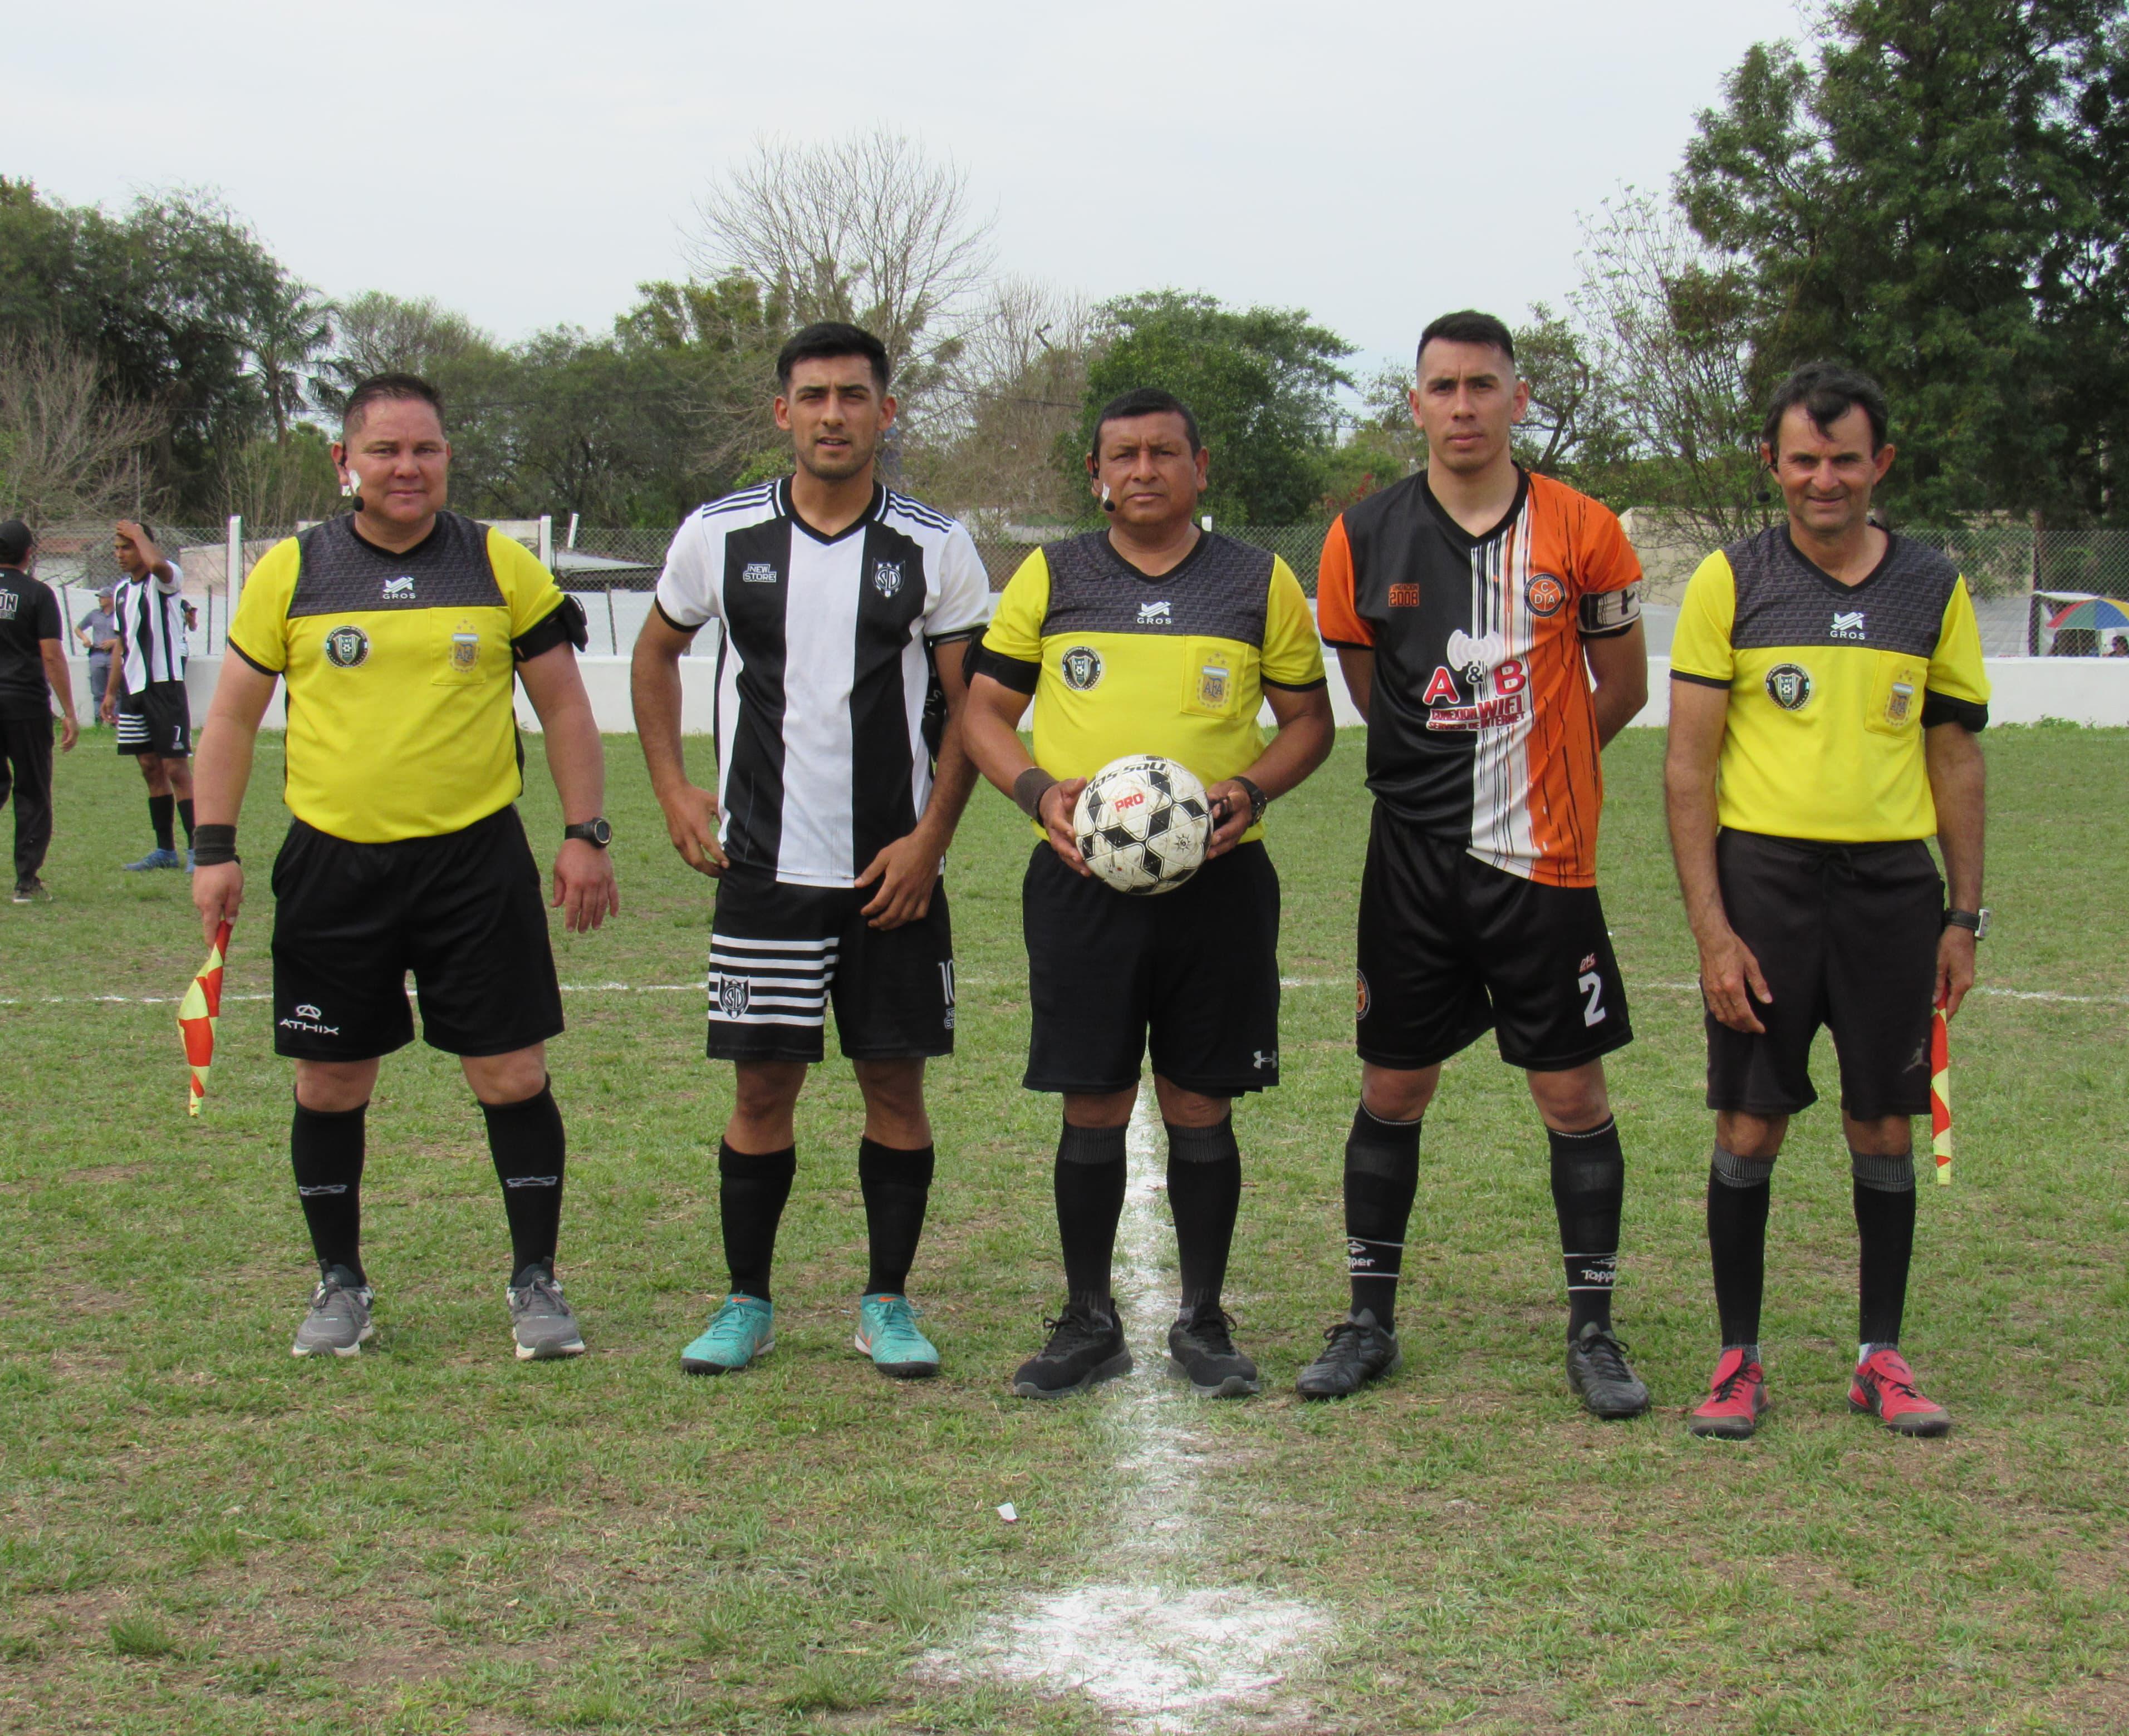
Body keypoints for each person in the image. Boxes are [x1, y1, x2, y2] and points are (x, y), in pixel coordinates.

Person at [192, 372, 620, 1362]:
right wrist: (214, 848)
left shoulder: (499, 563)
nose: (406, 467)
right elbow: (230, 719)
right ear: (345, 463)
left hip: (475, 860)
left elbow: (563, 706)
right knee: (330, 1085)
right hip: (333, 863)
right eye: (384, 449)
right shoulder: (292, 571)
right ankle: (339, 1281)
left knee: (512, 1073)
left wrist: (584, 831)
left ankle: (536, 1281)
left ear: (446, 459)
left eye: (424, 448)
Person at [1299, 311, 1653, 1417]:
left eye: (1482, 384)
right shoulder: (1360, 534)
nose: (1462, 404)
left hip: (1542, 864)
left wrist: (1544, 768)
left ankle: (1593, 1328)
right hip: (1410, 863)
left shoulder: (1585, 528)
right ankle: (1368, 1318)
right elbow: (1369, 688)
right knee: (1392, 1085)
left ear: (1518, 396)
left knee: (1571, 1089)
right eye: (1442, 386)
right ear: (1415, 403)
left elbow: (1624, 685)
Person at [632, 323, 992, 1383]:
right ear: (781, 412)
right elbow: (657, 652)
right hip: (765, 873)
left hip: (893, 871)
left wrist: (931, 839)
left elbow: (971, 705)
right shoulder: (720, 533)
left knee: (896, 1086)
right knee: (759, 1092)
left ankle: (887, 1301)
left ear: (888, 411)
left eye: (853, 394)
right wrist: (671, 787)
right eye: (813, 395)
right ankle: (747, 1300)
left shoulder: (937, 545)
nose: (833, 412)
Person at [963, 386, 1335, 1399]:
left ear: (1200, 467)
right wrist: (1040, 793)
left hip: (1219, 882)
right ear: (1096, 473)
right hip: (1082, 882)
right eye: (1122, 454)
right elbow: (985, 711)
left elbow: (1311, 723)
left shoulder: (1259, 581)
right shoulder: (1052, 573)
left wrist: (1250, 789)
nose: (1143, 470)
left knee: (1200, 1099)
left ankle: (1204, 1319)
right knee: (1092, 1098)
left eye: (1164, 452)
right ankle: (1090, 1318)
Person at [1665, 362, 1989, 1440]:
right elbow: (1685, 768)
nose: (1822, 478)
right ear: (1772, 463)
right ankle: (1736, 1361)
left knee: (1883, 1118)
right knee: (1750, 1119)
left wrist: (1962, 914)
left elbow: (1955, 758)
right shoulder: (1728, 579)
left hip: (1895, 888)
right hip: (1763, 883)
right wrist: (1713, 930)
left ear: (1878, 463)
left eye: (1844, 458)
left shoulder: (1932, 585)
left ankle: (1878, 1356)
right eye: (1802, 458)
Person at [0, 520, 80, 904]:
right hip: (25, 706)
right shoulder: (37, 594)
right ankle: (26, 882)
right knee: (32, 789)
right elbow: (51, 654)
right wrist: (69, 711)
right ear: (28, 553)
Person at [102, 521, 195, 870]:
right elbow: (122, 644)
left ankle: (196, 850)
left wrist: (140, 534)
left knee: (176, 767)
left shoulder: (165, 581)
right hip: (134, 690)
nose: (119, 555)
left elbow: (158, 565)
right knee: (149, 767)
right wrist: (111, 692)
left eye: (125, 547)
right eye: (117, 548)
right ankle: (165, 851)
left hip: (165, 686)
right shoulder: (123, 591)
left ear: (142, 547)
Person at [76, 587, 119, 725]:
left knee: (116, 690)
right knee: (98, 691)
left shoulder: (119, 615)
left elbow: (129, 634)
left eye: (103, 597)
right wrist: (85, 639)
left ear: (111, 599)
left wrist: (115, 642)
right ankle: (98, 720)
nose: (100, 599)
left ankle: (115, 720)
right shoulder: (94, 615)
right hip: (98, 654)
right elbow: (79, 628)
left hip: (114, 655)